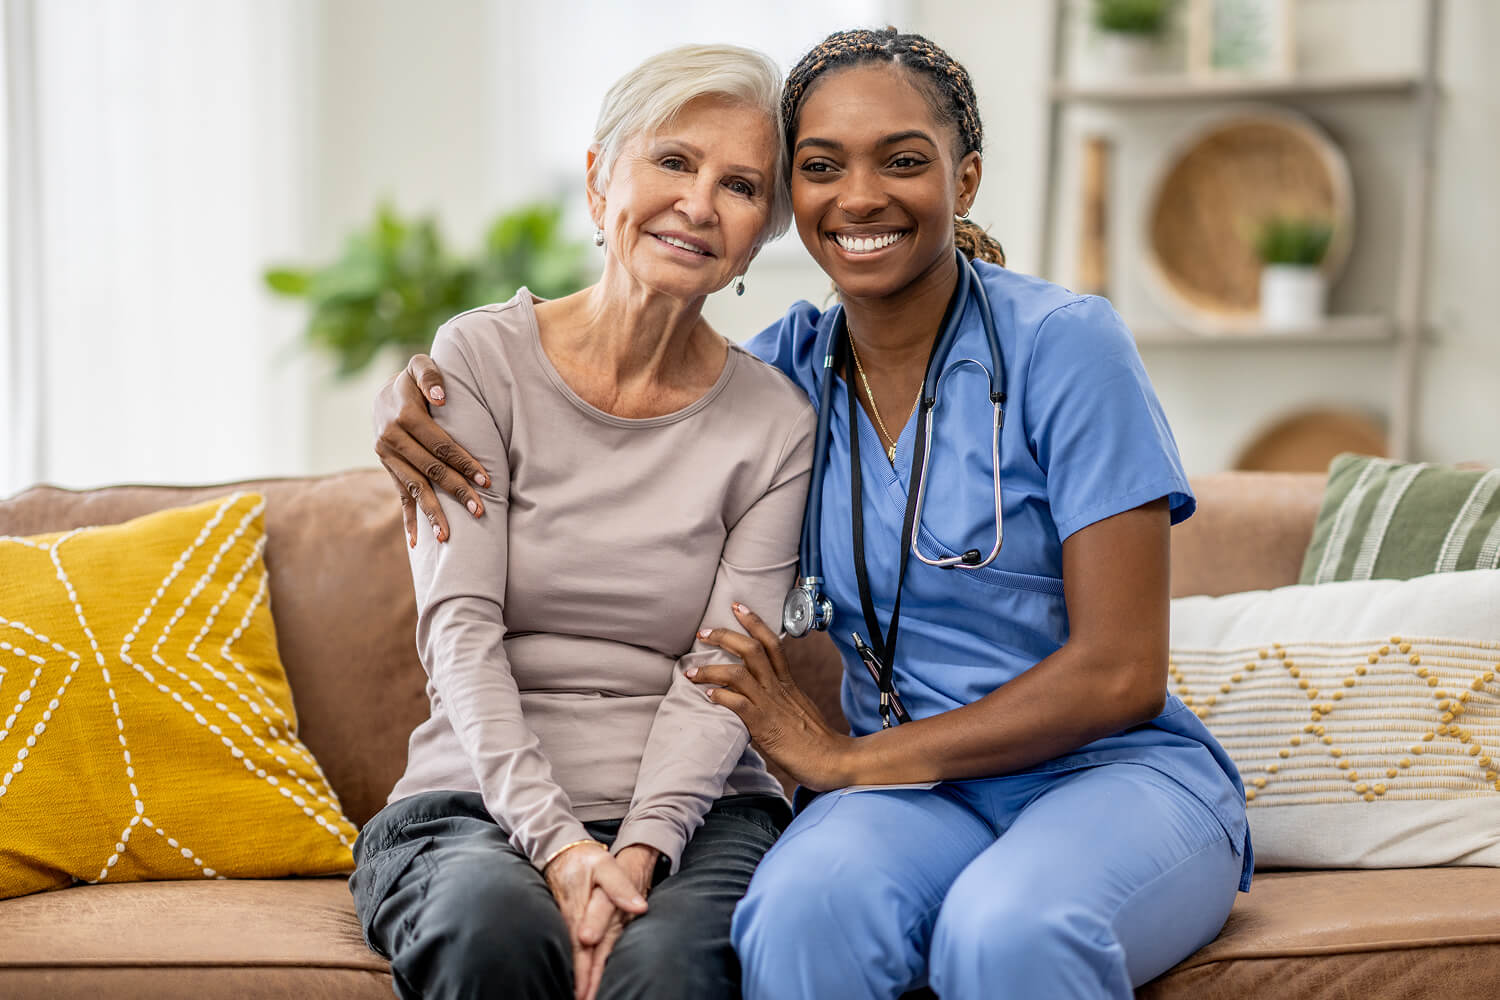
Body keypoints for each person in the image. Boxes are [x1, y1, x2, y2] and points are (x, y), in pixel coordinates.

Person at [373, 28, 1251, 1000]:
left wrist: (846, 758)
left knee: (1008, 933)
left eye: (904, 161)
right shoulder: (786, 377)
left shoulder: (1065, 346)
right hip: (907, 798)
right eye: (822, 167)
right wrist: (410, 392)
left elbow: (1122, 672)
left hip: (1104, 776)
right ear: (793, 206)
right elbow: (633, 401)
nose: (862, 195)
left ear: (965, 181)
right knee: (794, 918)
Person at [351, 44, 815, 1000]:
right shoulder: (478, 361)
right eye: (674, 162)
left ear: (760, 234)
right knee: (491, 932)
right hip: (470, 806)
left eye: (739, 186)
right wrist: (561, 848)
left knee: (674, 969)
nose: (698, 204)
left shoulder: (775, 423)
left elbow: (720, 672)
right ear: (602, 177)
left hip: (701, 815)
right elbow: (462, 631)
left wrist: (637, 854)